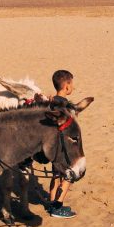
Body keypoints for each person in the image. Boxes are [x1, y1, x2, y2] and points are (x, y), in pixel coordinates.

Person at [46, 69, 78, 219]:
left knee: (56, 175)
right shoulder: (65, 105)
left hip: (53, 146)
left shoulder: (51, 103)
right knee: (69, 175)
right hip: (63, 147)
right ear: (66, 86)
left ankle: (52, 203)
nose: (73, 88)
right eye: (72, 85)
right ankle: (57, 206)